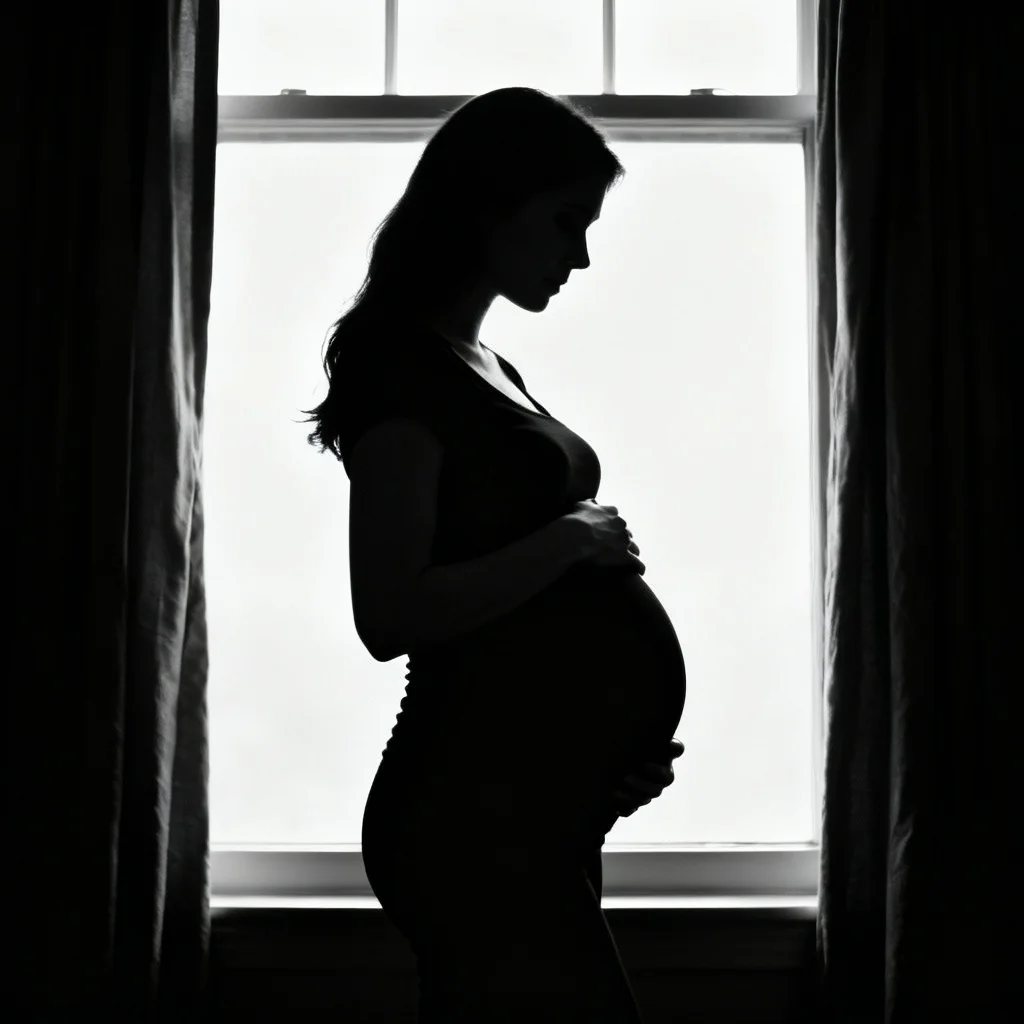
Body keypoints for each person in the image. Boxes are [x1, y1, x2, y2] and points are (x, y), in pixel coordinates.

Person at [300, 86, 687, 1023]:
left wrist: (608, 760)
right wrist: (568, 540)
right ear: (487, 202)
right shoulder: (397, 364)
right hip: (467, 813)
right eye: (565, 222)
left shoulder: (488, 365)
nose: (580, 254)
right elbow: (388, 614)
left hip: (531, 808)